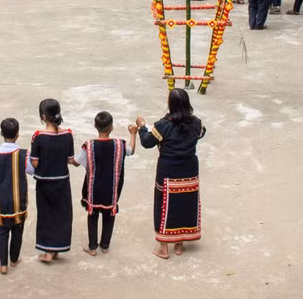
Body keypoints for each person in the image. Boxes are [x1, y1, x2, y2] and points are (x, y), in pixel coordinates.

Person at [137, 89, 206, 259]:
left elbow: (146, 142)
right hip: (189, 169)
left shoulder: (163, 125)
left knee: (163, 205)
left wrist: (141, 126)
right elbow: (201, 133)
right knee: (185, 204)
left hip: (168, 170)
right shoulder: (197, 123)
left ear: (170, 104)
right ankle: (179, 245)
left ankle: (164, 248)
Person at [77, 112, 137, 257]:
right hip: (112, 189)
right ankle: (105, 245)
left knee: (92, 216)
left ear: (95, 126)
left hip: (93, 189)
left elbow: (77, 162)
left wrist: (66, 158)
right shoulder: (120, 144)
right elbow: (131, 151)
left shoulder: (89, 145)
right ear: (111, 127)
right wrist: (133, 134)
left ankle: (92, 247)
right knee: (109, 215)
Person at [0, 117, 34, 275]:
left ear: (1, 133)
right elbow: (31, 171)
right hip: (19, 200)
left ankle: (3, 264)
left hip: (0, 200)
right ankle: (14, 259)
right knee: (18, 230)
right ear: (17, 134)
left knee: (2, 231)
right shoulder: (23, 154)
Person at [30, 99, 78, 263]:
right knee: (62, 215)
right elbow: (70, 159)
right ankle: (57, 248)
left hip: (44, 183)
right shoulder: (68, 135)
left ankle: (48, 252)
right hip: (62, 181)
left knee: (46, 215)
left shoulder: (38, 137)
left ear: (43, 117)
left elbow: (34, 162)